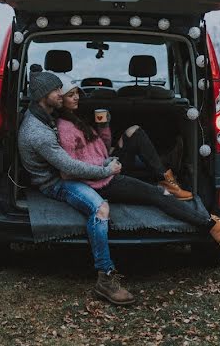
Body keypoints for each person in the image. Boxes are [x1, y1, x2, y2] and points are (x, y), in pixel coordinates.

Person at [55, 81, 220, 251]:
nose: (77, 97)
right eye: (70, 95)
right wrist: (107, 169)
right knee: (157, 195)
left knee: (134, 131)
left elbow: (100, 151)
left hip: (107, 166)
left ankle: (165, 178)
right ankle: (214, 227)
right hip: (102, 181)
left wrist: (104, 128)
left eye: (77, 93)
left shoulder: (77, 119)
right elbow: (74, 168)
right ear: (60, 99)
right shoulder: (65, 128)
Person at [18, 70, 135, 305]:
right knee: (101, 209)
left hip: (64, 174)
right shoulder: (38, 133)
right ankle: (105, 279)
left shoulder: (45, 114)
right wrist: (106, 171)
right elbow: (70, 168)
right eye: (56, 90)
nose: (61, 94)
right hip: (56, 183)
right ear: (43, 95)